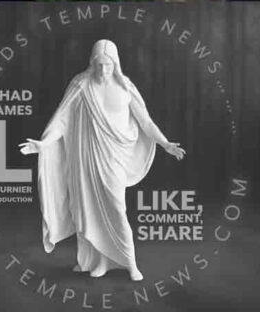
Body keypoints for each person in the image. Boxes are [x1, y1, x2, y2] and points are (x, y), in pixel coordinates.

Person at [21, 38, 184, 282]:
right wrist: (43, 144)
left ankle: (130, 263)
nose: (103, 70)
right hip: (86, 159)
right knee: (89, 209)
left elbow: (146, 121)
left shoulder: (126, 87)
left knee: (117, 209)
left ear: (115, 64)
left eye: (108, 65)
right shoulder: (81, 85)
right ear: (92, 63)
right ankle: (99, 261)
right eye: (98, 64)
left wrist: (165, 143)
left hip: (115, 158)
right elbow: (61, 120)